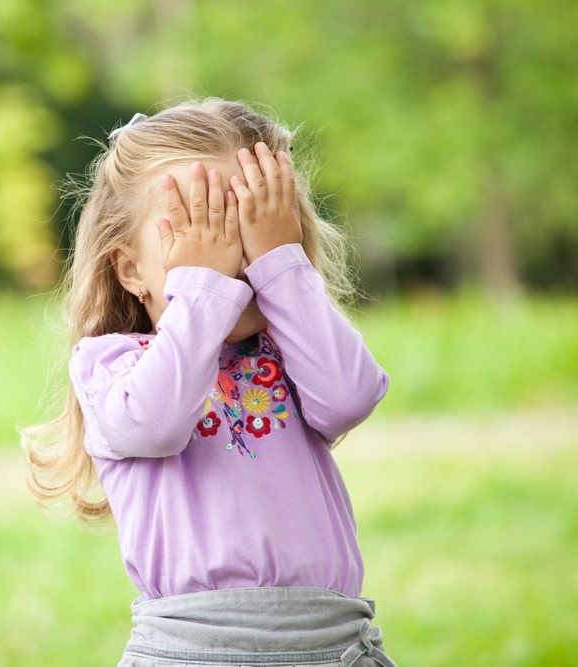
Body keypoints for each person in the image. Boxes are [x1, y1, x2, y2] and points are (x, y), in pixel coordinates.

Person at [20, 97, 398, 666]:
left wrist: (282, 264)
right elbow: (156, 423)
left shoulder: (295, 352)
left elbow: (350, 397)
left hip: (333, 646)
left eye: (248, 232)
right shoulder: (111, 365)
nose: (230, 260)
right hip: (197, 651)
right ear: (129, 271)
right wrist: (201, 290)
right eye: (201, 233)